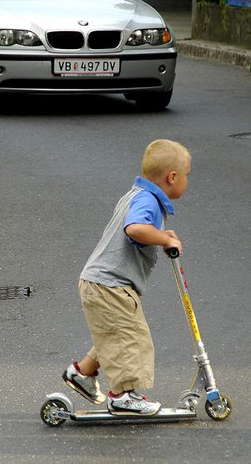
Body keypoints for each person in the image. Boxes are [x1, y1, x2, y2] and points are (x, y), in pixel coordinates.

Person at [62, 139, 191, 415]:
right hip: (110, 284)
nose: (187, 182)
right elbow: (134, 228)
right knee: (130, 337)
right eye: (186, 176)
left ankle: (83, 373)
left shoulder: (136, 194)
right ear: (172, 177)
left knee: (115, 335)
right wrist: (165, 240)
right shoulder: (148, 200)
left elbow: (137, 227)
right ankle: (123, 396)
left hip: (101, 282)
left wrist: (162, 235)